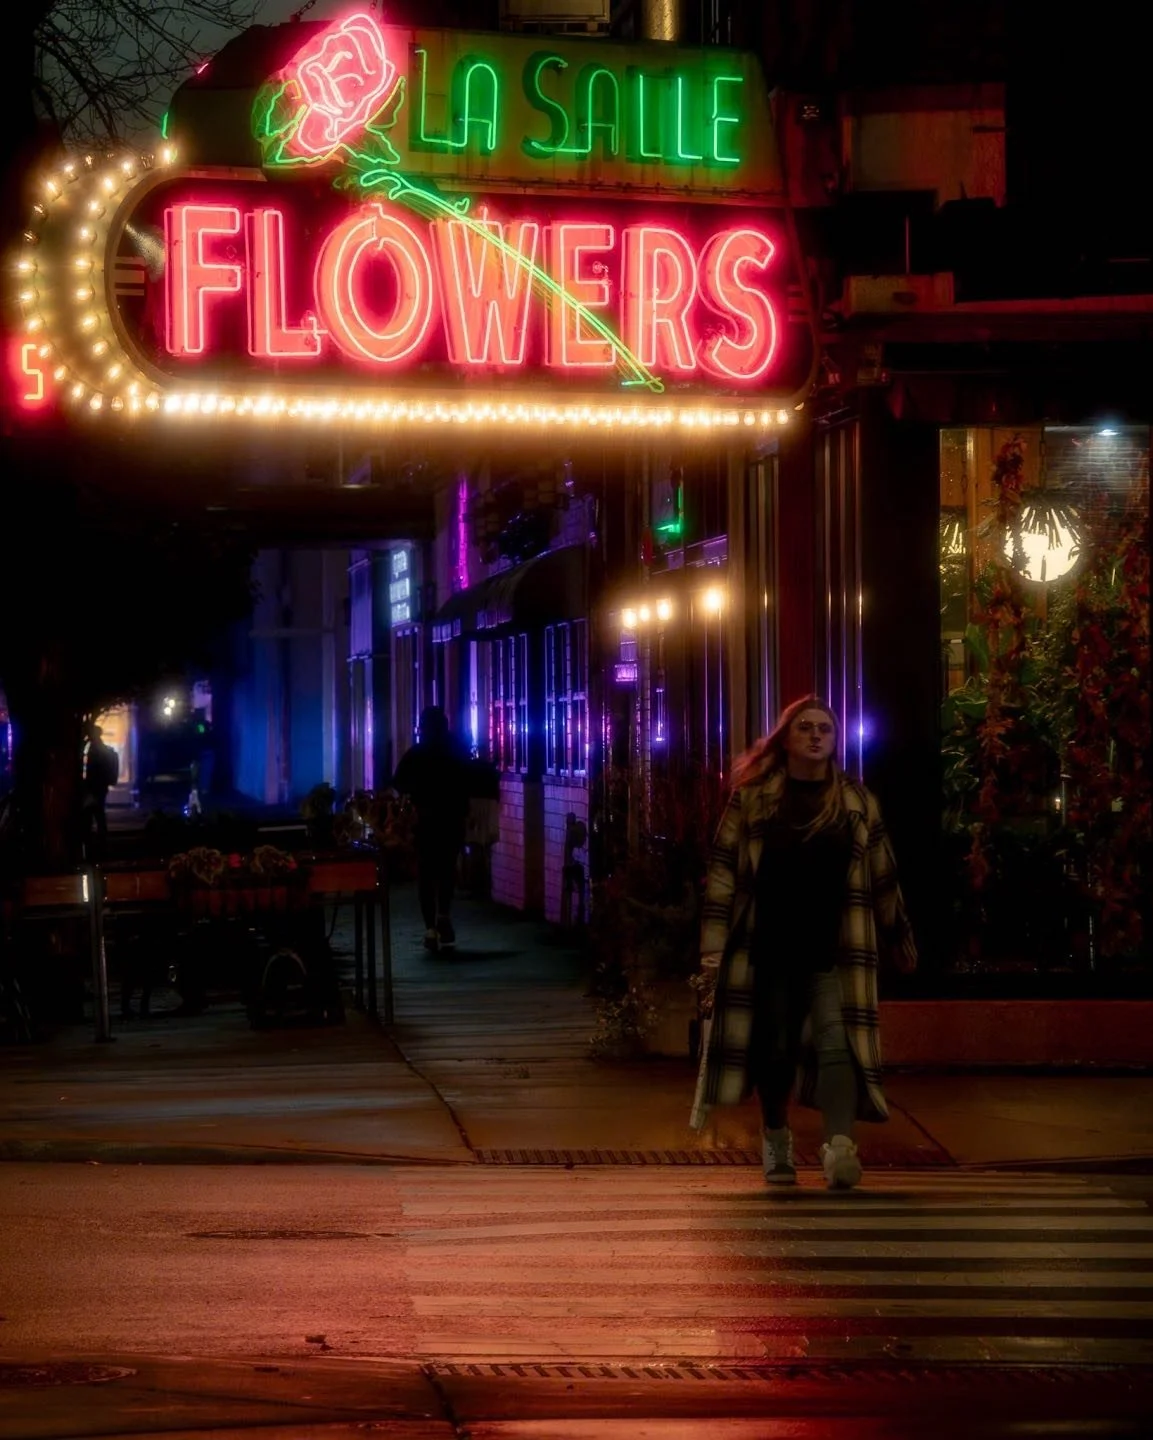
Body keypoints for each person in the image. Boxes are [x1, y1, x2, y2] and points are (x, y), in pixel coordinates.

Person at [689, 695, 917, 1191]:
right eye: (805, 728)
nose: (816, 736)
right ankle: (776, 1138)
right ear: (785, 738)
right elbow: (724, 877)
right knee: (776, 1050)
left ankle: (839, 1148)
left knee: (840, 1047)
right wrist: (712, 951)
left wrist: (899, 936)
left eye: (825, 730)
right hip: (767, 949)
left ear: (835, 742)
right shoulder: (754, 799)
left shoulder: (856, 802)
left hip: (833, 951)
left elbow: (883, 875)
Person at [391, 706, 471, 952]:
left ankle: (430, 929)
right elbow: (468, 780)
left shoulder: (416, 754)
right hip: (452, 818)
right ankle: (444, 915)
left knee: (426, 874)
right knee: (447, 869)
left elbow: (398, 782)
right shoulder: (456, 752)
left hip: (425, 821)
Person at [81, 721, 119, 859]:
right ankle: (100, 845)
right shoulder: (101, 749)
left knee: (91, 817)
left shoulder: (93, 750)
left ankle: (93, 847)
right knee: (98, 816)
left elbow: (92, 771)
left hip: (93, 788)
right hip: (99, 788)